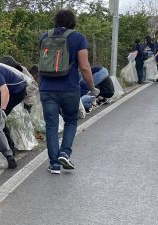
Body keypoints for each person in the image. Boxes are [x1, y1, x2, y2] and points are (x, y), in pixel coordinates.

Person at [37, 9, 97, 174]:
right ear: (73, 22)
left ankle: (54, 164)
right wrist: (92, 87)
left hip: (47, 88)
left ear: (56, 21)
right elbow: (84, 67)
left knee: (51, 125)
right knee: (71, 120)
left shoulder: (44, 37)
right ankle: (65, 152)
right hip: (69, 89)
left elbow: (42, 62)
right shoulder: (78, 38)